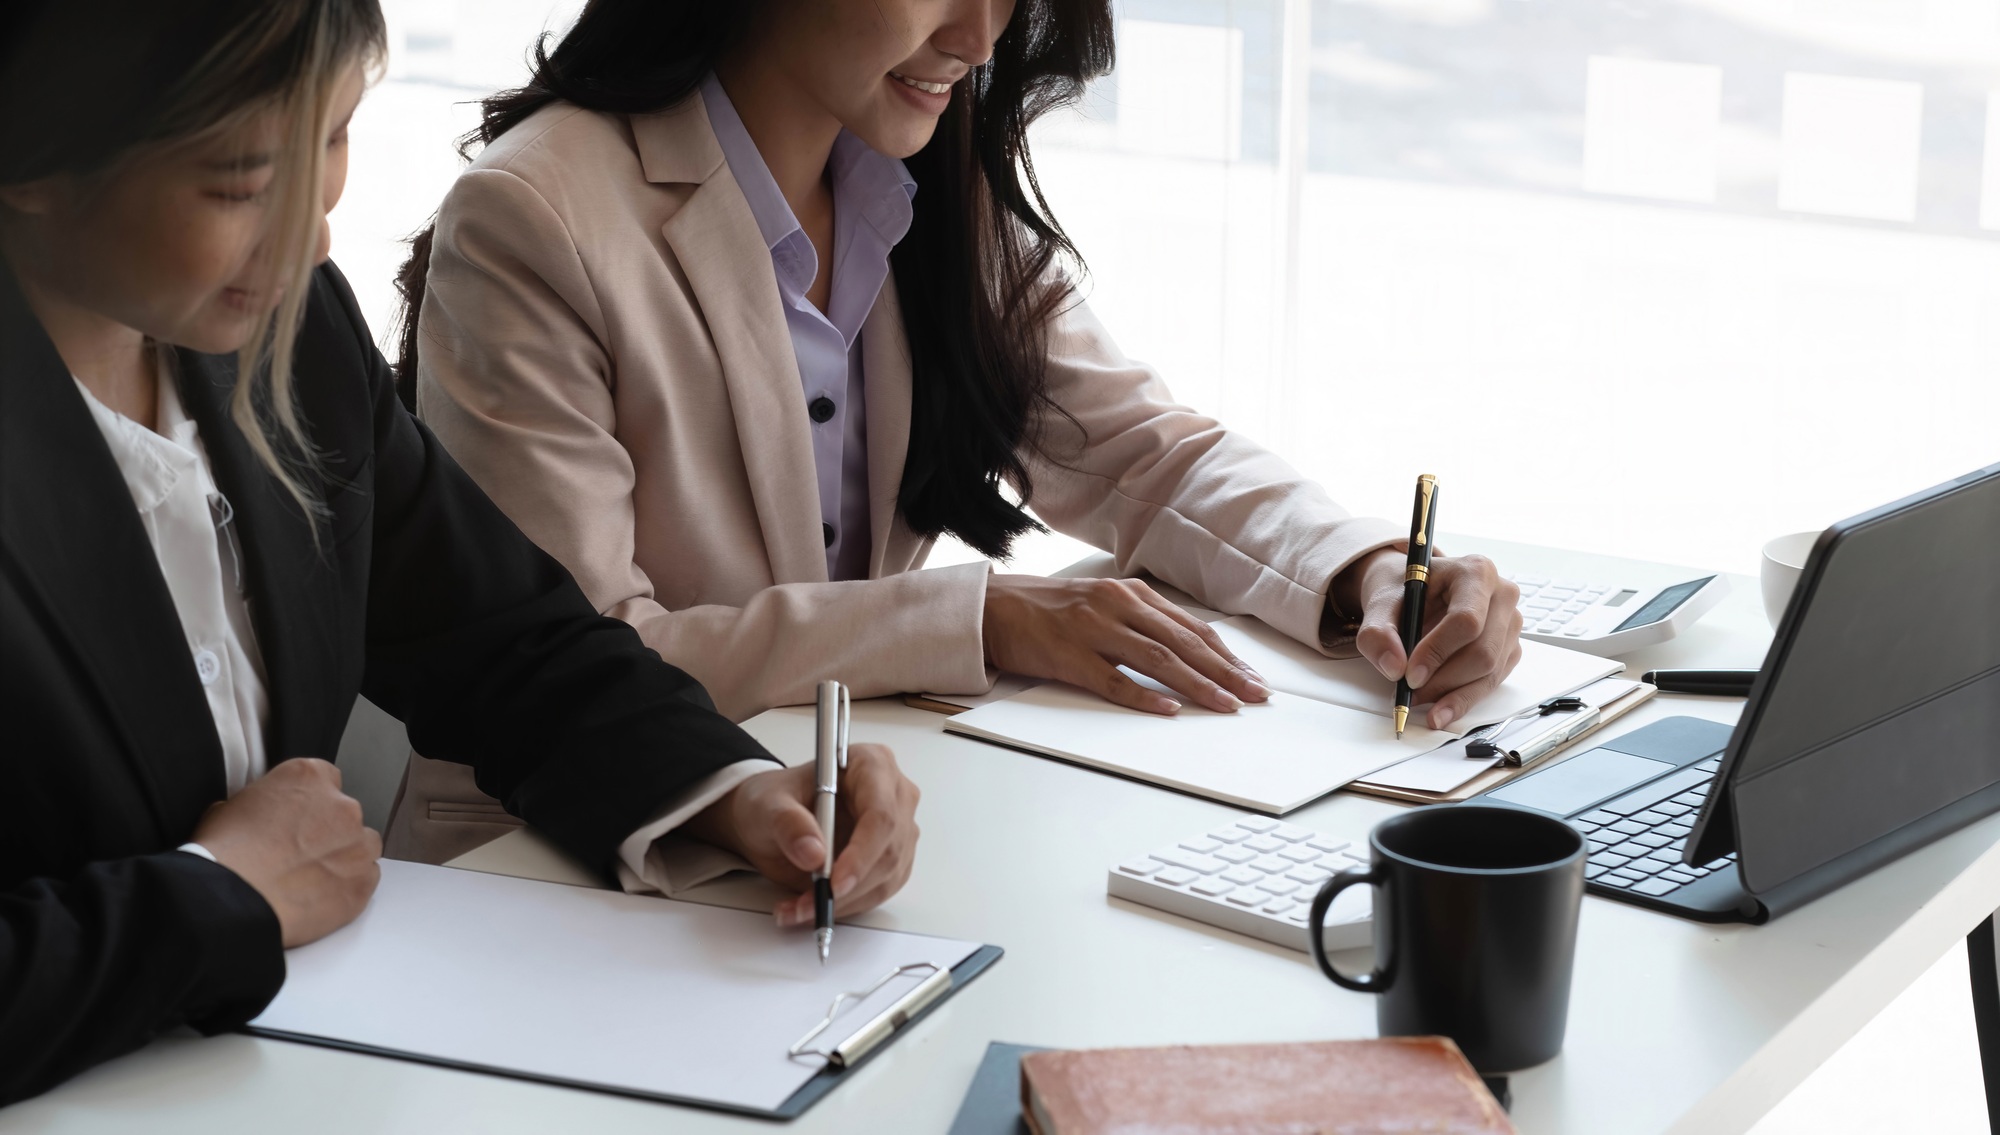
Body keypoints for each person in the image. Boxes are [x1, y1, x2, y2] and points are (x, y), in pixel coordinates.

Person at [0, 0, 920, 1104]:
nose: (309, 237)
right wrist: (215, 896)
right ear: (31, 160)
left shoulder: (289, 334)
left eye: (334, 138)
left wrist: (730, 793)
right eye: (241, 182)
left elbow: (499, 639)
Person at [391, 0, 1523, 860]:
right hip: (562, 868)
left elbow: (1138, 456)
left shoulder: (912, 188)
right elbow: (578, 662)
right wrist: (974, 619)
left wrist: (1366, 570)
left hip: (840, 840)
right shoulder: (533, 218)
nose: (981, 36)